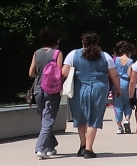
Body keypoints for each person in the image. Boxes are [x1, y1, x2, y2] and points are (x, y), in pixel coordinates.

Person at [64, 32, 120, 158]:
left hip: (79, 88)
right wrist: (118, 88)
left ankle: (83, 146)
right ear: (96, 42)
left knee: (80, 116)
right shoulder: (106, 56)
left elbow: (64, 72)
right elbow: (114, 75)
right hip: (99, 89)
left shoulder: (73, 54)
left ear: (83, 42)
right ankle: (89, 149)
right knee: (94, 117)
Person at [28, 28, 64, 159]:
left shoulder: (36, 53)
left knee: (44, 118)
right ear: (56, 40)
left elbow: (31, 73)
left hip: (38, 89)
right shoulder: (57, 53)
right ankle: (40, 148)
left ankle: (50, 147)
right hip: (52, 90)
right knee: (48, 119)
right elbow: (59, 73)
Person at [110, 41, 137, 133]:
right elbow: (130, 75)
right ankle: (127, 119)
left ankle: (119, 127)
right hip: (126, 83)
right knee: (128, 102)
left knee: (117, 104)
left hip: (116, 82)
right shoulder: (130, 61)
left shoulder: (115, 60)